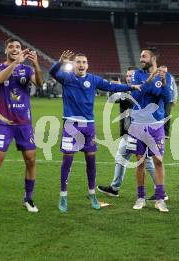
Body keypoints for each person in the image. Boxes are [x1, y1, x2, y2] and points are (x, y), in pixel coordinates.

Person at [49, 50, 140, 213]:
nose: (81, 65)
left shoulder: (93, 79)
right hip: (71, 125)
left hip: (89, 126)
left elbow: (111, 86)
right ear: (74, 64)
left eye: (84, 62)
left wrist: (131, 86)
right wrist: (61, 61)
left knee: (91, 161)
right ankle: (63, 195)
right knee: (67, 162)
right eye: (78, 62)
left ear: (87, 65)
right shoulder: (66, 78)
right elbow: (52, 72)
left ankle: (92, 194)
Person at [0, 38, 43, 215]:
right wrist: (15, 63)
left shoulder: (27, 69)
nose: (15, 49)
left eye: (17, 46)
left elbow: (39, 83)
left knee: (31, 160)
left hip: (24, 123)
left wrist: (37, 65)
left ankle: (28, 198)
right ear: (6, 50)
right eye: (11, 46)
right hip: (4, 123)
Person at [97, 67, 167, 201]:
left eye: (131, 76)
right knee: (129, 158)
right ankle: (115, 187)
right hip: (129, 133)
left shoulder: (138, 92)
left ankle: (159, 191)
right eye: (127, 76)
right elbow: (112, 99)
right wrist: (114, 88)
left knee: (144, 161)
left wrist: (119, 89)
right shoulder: (129, 90)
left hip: (135, 132)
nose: (129, 78)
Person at [128, 47, 171, 212]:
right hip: (137, 124)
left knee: (158, 161)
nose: (141, 59)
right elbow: (137, 96)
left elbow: (167, 99)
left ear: (153, 58)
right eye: (141, 56)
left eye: (144, 56)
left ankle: (160, 199)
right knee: (140, 162)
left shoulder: (164, 76)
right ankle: (141, 197)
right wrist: (151, 78)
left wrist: (165, 83)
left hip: (155, 125)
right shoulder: (137, 75)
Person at [159, 65, 178, 138]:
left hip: (168, 100)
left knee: (166, 115)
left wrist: (174, 99)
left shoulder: (170, 77)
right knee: (158, 116)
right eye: (161, 71)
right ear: (159, 71)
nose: (163, 73)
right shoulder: (155, 77)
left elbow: (174, 88)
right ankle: (157, 132)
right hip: (158, 100)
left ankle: (166, 133)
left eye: (165, 72)